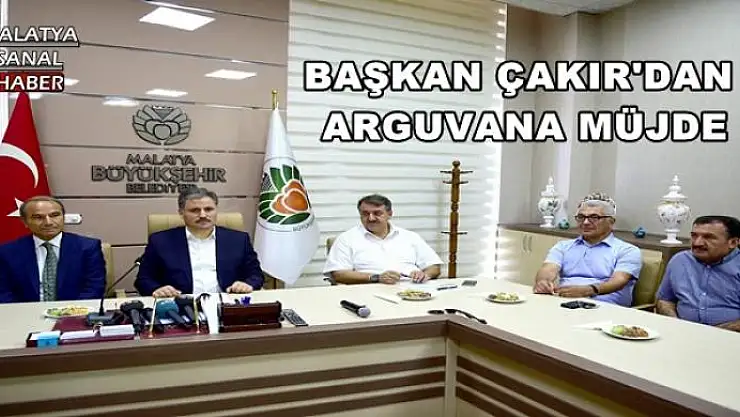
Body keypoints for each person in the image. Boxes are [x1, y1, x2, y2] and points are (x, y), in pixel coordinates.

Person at [134, 187, 264, 297]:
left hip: (227, 304)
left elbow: (256, 275)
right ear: (181, 213)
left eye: (208, 209)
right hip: (180, 306)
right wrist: (157, 289)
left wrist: (247, 285)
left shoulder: (238, 240)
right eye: (195, 210)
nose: (203, 215)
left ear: (216, 210)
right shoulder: (160, 241)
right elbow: (143, 279)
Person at [532, 192, 642, 306]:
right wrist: (543, 282)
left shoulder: (627, 250)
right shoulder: (563, 247)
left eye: (594, 217)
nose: (585, 222)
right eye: (581, 217)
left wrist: (588, 290)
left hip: (604, 306)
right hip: (564, 302)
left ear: (611, 222)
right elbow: (548, 269)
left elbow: (619, 281)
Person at [0, 196, 107, 303]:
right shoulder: (7, 252)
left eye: (55, 215)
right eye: (38, 217)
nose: (48, 222)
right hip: (24, 311)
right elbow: (3, 291)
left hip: (76, 310)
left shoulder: (87, 247)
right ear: (25, 221)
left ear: (63, 217)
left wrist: (72, 310)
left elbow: (95, 287)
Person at [323, 194, 443, 285]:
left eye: (377, 213)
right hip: (369, 290)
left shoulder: (410, 236)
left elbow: (434, 267)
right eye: (365, 214)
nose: (371, 218)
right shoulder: (346, 239)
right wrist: (376, 277)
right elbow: (338, 274)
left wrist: (424, 274)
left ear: (389, 214)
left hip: (413, 289)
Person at [656, 215, 740, 332]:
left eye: (708, 237)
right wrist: (676, 323)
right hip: (681, 332)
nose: (697, 243)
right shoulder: (680, 260)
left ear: (733, 242)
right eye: (694, 236)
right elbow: (665, 300)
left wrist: (711, 332)